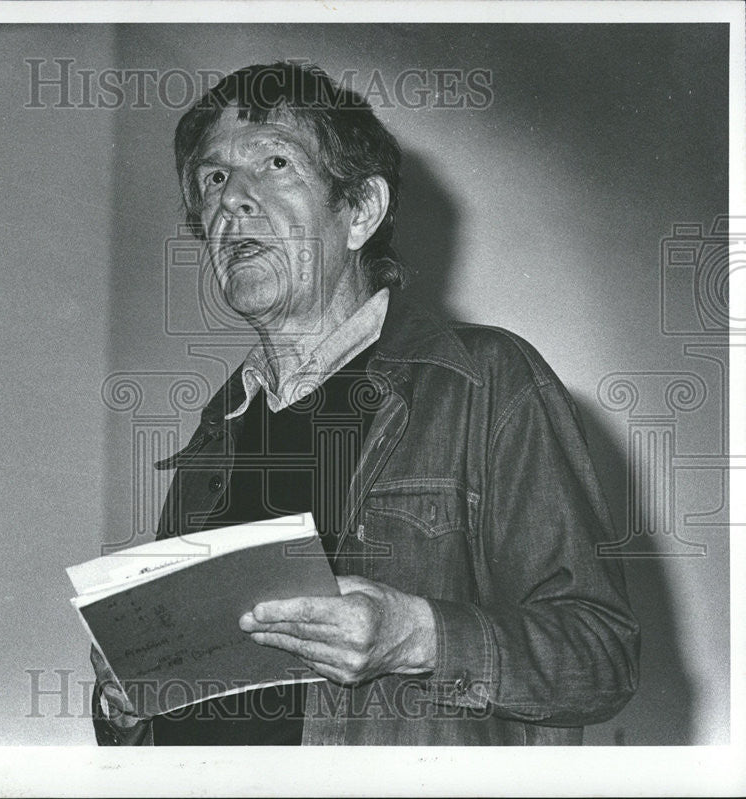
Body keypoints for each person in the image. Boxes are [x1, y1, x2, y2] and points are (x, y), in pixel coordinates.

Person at [91, 61, 639, 746]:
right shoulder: (215, 432)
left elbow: (602, 657)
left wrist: (420, 636)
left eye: (276, 161)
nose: (232, 198)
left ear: (361, 211)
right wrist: (125, 703)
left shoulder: (488, 380)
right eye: (213, 178)